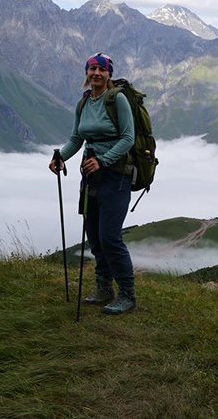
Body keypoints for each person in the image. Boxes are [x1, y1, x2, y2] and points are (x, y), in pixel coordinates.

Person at [49, 53, 137, 315]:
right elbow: (77, 138)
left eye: (102, 69)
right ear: (86, 73)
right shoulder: (84, 102)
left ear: (109, 74)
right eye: (92, 69)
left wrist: (103, 160)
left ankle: (127, 294)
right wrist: (60, 157)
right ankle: (103, 288)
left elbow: (128, 138)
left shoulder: (117, 99)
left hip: (117, 175)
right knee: (95, 236)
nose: (96, 73)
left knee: (110, 237)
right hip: (91, 176)